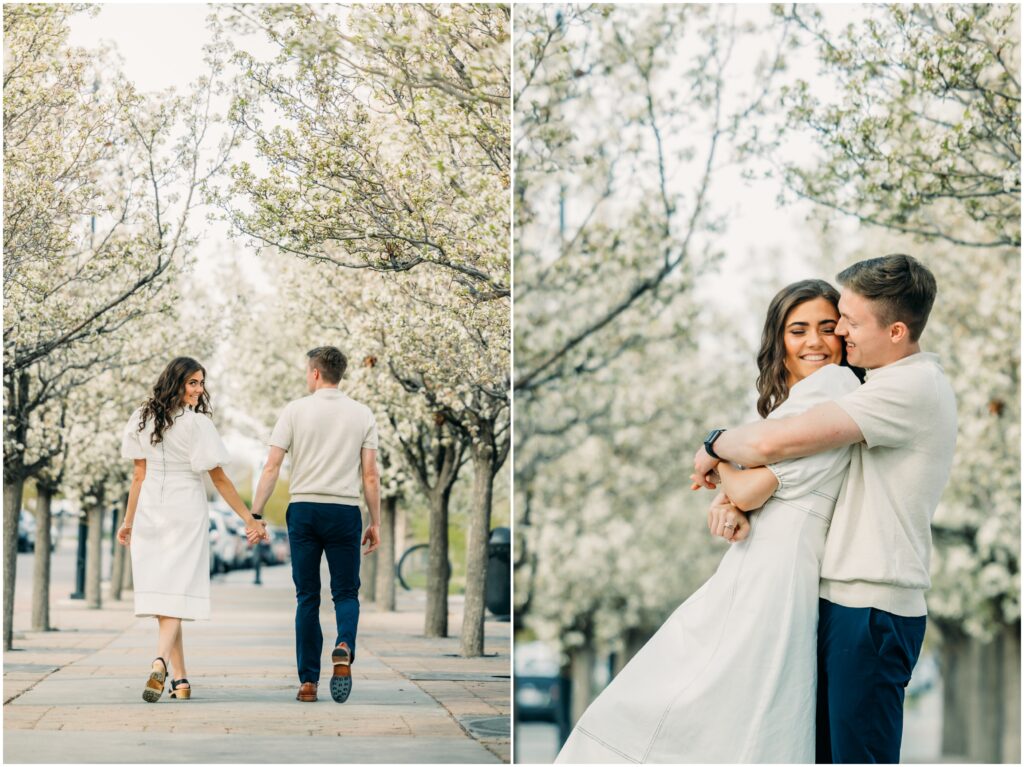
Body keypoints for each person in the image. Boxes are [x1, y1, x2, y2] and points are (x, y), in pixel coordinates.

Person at [555, 279, 862, 763]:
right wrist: (729, 501)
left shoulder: (834, 389)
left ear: (846, 334)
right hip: (764, 565)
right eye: (798, 330)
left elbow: (749, 486)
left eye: (827, 328)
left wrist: (716, 461)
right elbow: (750, 491)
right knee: (721, 699)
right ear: (778, 341)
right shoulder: (799, 407)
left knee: (713, 695)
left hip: (776, 574)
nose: (815, 342)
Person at [693, 254, 957, 763]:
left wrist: (713, 443)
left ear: (897, 330)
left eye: (850, 322)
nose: (840, 331)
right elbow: (808, 478)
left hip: (873, 610)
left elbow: (773, 444)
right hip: (842, 605)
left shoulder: (908, 388)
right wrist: (735, 501)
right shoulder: (876, 386)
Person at [118, 356, 266, 703]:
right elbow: (219, 478)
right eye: (192, 383)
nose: (199, 390)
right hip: (185, 510)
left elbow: (138, 476)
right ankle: (159, 661)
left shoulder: (142, 418)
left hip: (153, 510)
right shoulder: (198, 425)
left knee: (168, 595)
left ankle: (180, 681)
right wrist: (249, 518)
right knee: (176, 592)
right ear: (177, 383)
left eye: (201, 383)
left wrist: (129, 521)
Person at [250, 346, 382, 704]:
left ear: (314, 373)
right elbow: (370, 476)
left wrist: (256, 514)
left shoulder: (295, 411)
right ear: (340, 374)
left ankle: (308, 683)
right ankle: (344, 645)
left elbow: (272, 467)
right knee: (346, 593)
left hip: (305, 508)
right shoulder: (362, 413)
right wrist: (376, 522)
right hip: (344, 511)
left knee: (307, 597)